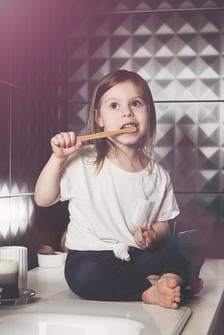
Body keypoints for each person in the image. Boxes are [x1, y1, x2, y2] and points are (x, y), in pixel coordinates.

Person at [34, 69, 206, 309]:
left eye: (135, 103)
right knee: (83, 276)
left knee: (193, 240)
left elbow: (166, 226)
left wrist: (153, 235)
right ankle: (157, 287)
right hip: (92, 257)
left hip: (139, 256)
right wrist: (57, 158)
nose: (127, 112)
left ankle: (166, 280)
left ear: (149, 114)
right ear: (99, 119)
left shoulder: (158, 175)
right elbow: (43, 198)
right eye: (114, 106)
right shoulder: (83, 160)